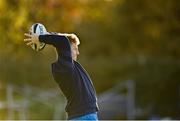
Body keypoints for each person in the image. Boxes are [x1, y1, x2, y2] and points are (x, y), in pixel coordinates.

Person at [24, 32, 99, 120]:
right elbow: (62, 41)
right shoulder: (64, 67)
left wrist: (47, 33)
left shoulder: (71, 66)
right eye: (75, 49)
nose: (78, 52)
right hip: (82, 117)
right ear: (66, 48)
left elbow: (62, 40)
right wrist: (40, 38)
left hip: (85, 116)